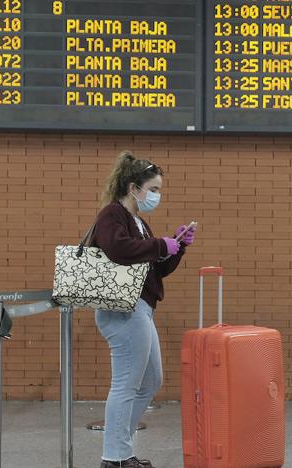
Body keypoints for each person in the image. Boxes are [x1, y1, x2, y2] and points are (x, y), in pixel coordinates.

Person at [91, 151, 196, 468]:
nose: (156, 195)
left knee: (151, 381)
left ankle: (121, 451)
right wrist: (162, 245)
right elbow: (118, 249)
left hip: (141, 308)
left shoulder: (139, 222)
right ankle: (115, 457)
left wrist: (178, 247)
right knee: (126, 383)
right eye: (153, 189)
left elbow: (155, 270)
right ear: (133, 187)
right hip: (123, 310)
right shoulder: (112, 215)